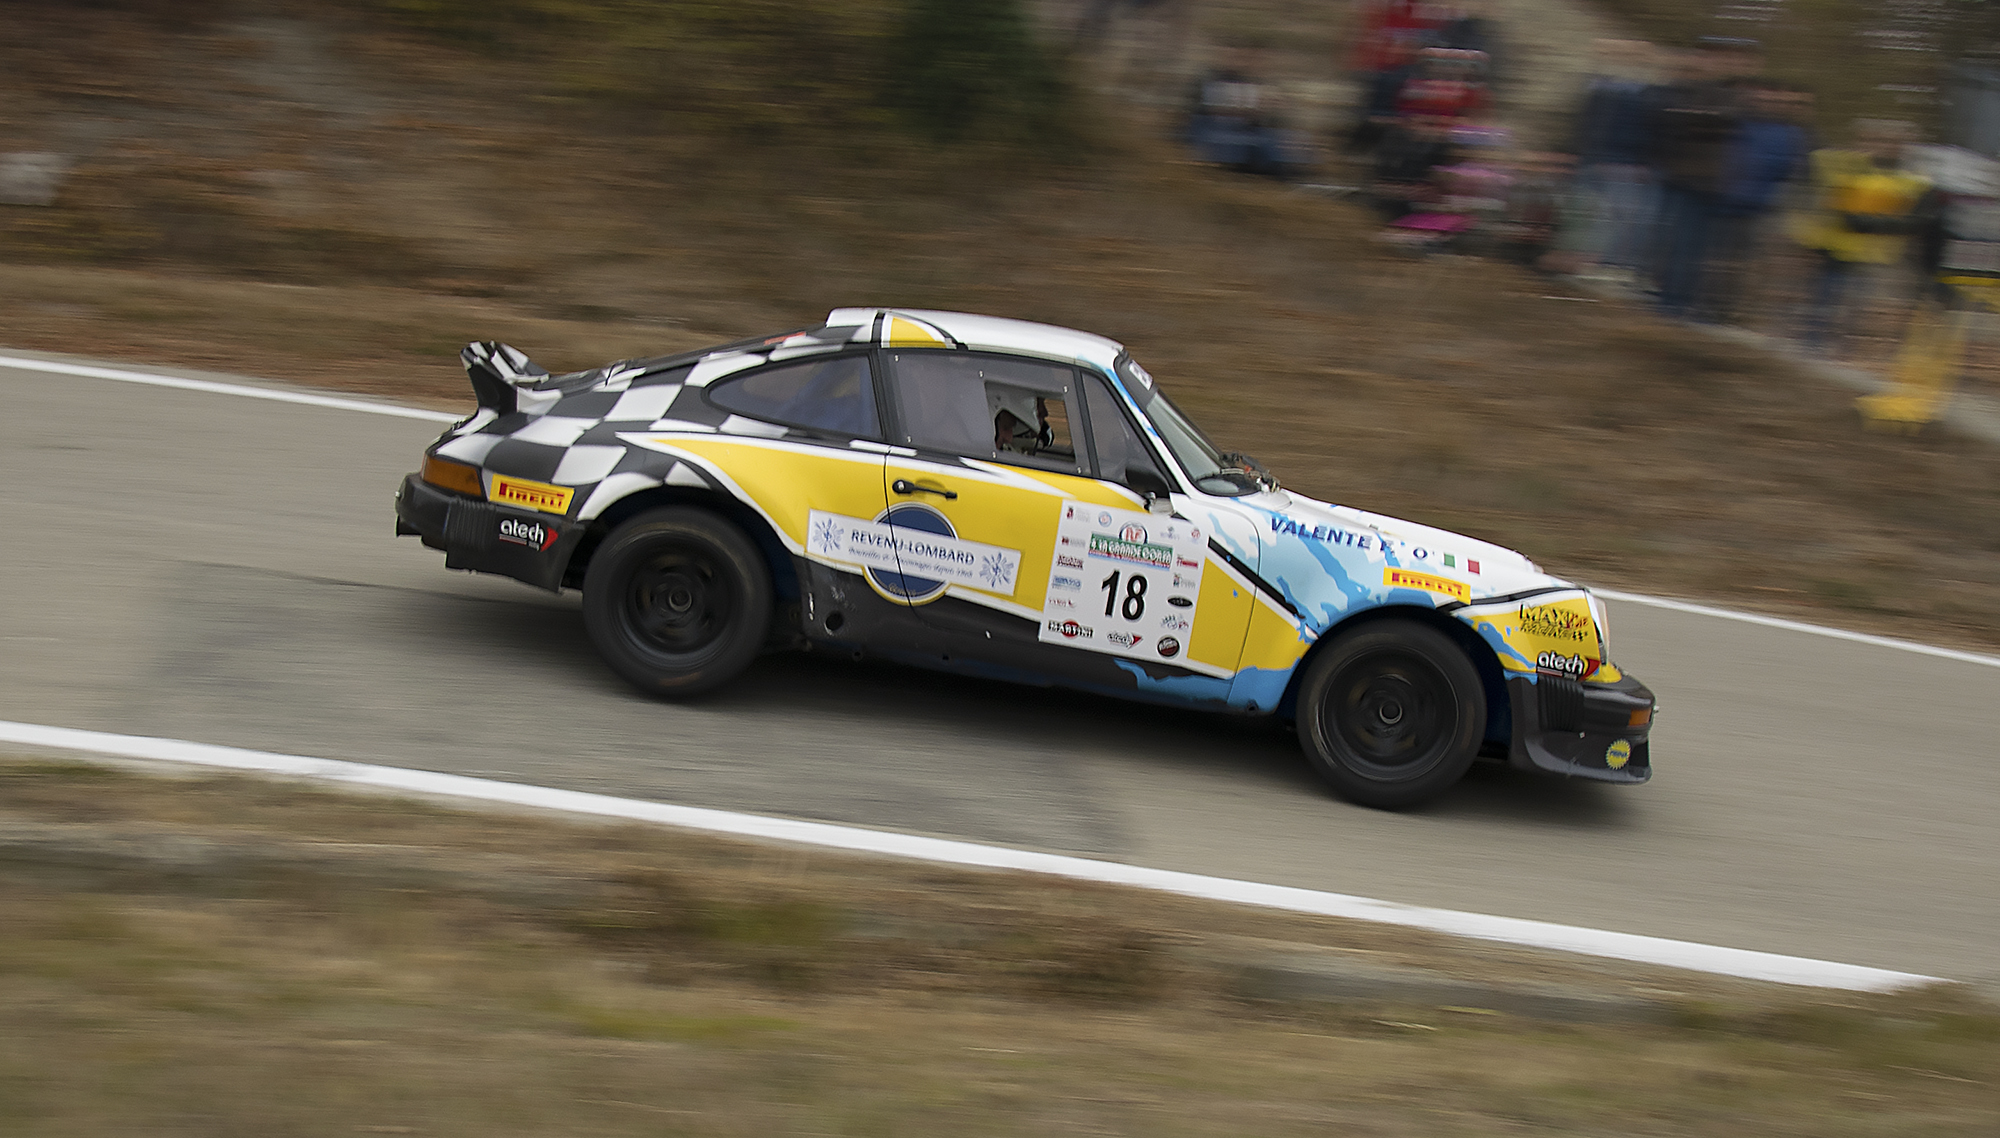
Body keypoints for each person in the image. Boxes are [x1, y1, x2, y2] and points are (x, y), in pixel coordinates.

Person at [1795, 119, 1933, 352]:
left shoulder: (1910, 178)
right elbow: (1831, 204)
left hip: (1874, 252)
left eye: (1891, 143)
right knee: (1826, 295)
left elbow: (1910, 214)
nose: (1882, 147)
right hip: (1837, 247)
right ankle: (1813, 338)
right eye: (1873, 140)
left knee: (1856, 301)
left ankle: (1841, 342)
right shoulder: (1844, 168)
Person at [1649, 38, 1760, 318]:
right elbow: (1681, 121)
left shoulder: (1741, 95)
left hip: (1714, 184)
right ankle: (1668, 299)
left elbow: (1722, 125)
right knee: (1673, 243)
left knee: (1697, 249)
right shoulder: (1692, 88)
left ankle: (1681, 303)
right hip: (1681, 177)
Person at [1703, 81, 1814, 322]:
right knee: (1714, 259)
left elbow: (1792, 173)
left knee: (1744, 264)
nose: (1764, 102)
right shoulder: (1736, 124)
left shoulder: (1789, 134)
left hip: (1759, 209)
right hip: (1722, 202)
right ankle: (1706, 307)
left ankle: (1730, 312)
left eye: (1770, 99)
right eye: (1759, 97)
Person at [1567, 39, 1661, 276]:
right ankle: (1583, 269)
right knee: (1586, 221)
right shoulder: (1595, 86)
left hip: (1622, 167)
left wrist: (1638, 162)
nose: (1617, 58)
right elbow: (1583, 124)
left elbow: (1646, 130)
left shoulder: (1644, 92)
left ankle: (1611, 270)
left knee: (1619, 223)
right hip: (1593, 163)